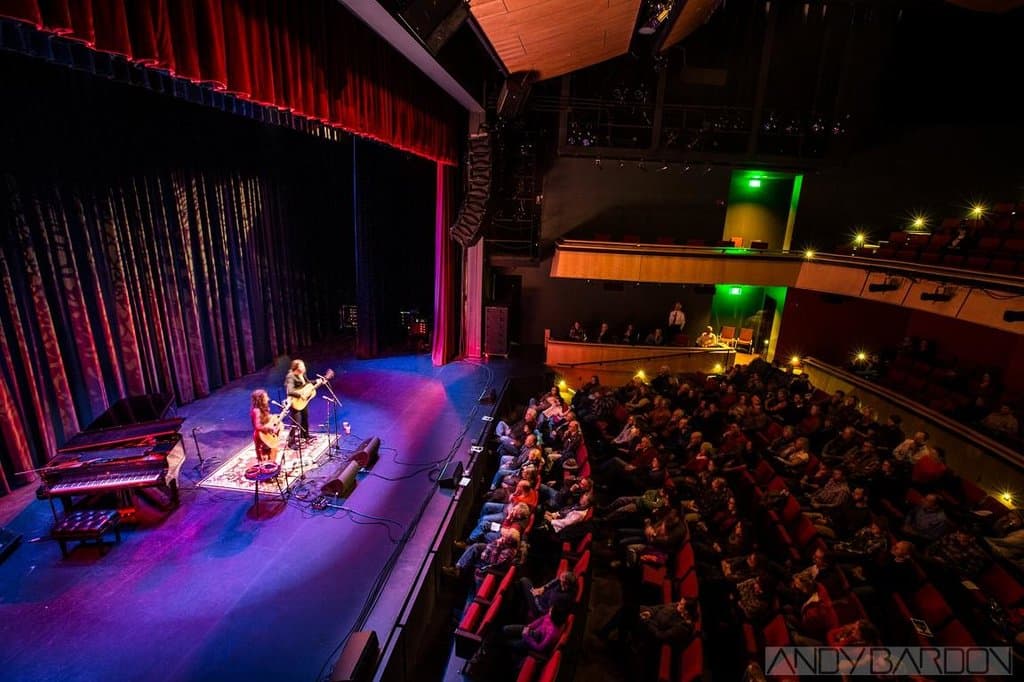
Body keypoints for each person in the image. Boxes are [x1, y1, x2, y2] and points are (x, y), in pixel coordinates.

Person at [284, 359, 312, 447]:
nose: (304, 367)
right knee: (296, 422)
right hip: (294, 402)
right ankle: (291, 442)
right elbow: (290, 391)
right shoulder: (291, 376)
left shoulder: (302, 374)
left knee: (305, 417)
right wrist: (300, 396)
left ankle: (305, 435)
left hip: (303, 401)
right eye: (302, 366)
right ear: (296, 367)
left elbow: (308, 384)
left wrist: (318, 381)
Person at [250, 389, 279, 462]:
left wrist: (272, 417)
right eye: (266, 397)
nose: (268, 399)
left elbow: (265, 420)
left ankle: (272, 464)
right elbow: (257, 426)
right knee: (263, 455)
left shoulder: (265, 407)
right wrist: (269, 428)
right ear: (260, 399)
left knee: (271, 449)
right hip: (260, 435)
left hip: (267, 433)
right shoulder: (256, 410)